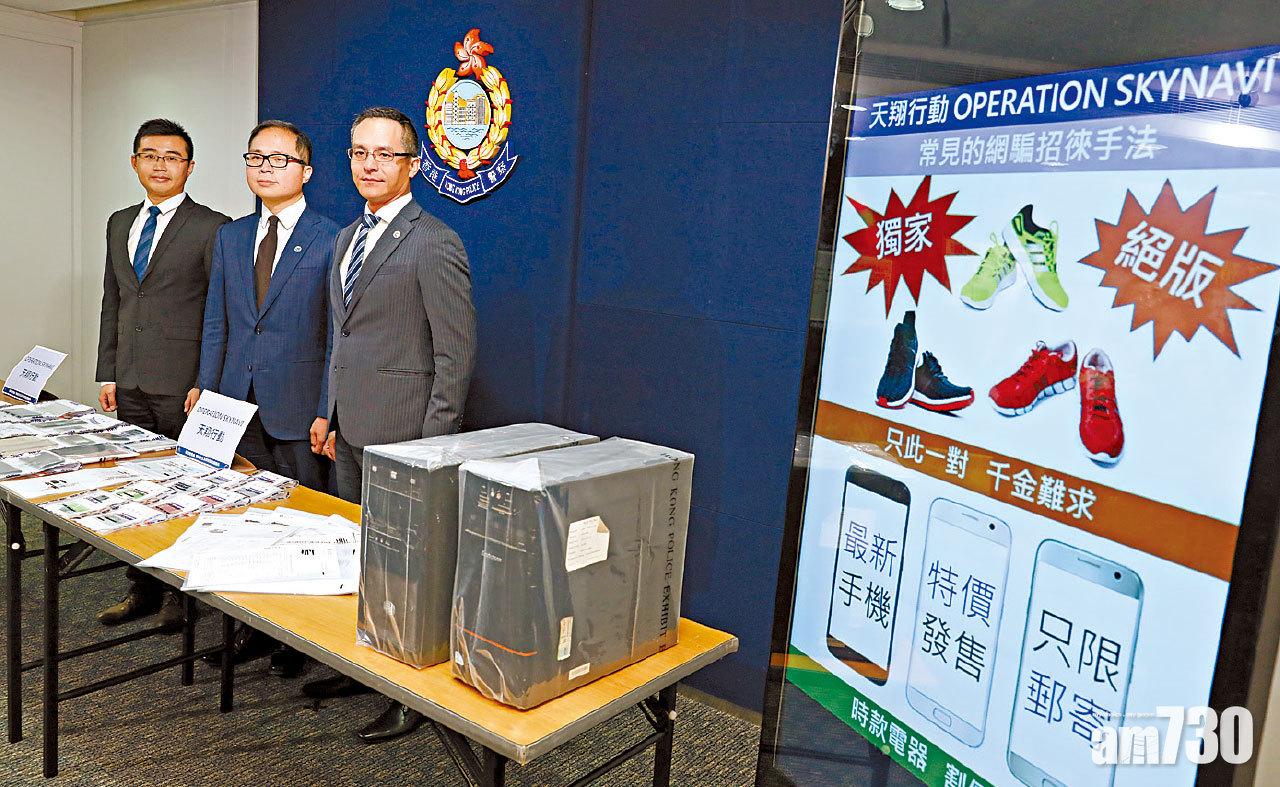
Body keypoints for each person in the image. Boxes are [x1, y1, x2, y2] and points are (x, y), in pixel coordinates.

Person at [300, 107, 475, 743]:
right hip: (350, 431)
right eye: (359, 153)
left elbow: (455, 355)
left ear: (414, 163)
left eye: (385, 154)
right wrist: (329, 412)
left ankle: (411, 693)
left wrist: (433, 449)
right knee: (365, 558)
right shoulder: (346, 237)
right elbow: (341, 338)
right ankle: (367, 667)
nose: (369, 165)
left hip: (408, 439)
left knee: (410, 570)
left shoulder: (434, 242)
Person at [189, 120, 339, 676]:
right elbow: (217, 321)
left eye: (280, 159)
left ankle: (299, 640)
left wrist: (327, 408)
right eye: (256, 158)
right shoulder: (231, 237)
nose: (266, 168)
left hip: (297, 409)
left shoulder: (332, 237)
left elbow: (336, 336)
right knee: (245, 520)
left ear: (307, 171)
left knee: (302, 524)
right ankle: (251, 627)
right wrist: (205, 386)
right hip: (235, 403)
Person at [95, 118, 229, 629]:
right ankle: (142, 587)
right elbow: (114, 300)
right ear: (135, 163)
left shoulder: (213, 227)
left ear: (190, 168)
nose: (160, 165)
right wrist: (108, 371)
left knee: (187, 489)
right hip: (128, 380)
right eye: (150, 155)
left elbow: (219, 311)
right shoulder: (119, 222)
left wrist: (205, 381)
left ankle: (182, 595)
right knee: (137, 488)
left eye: (172, 157)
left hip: (182, 385)